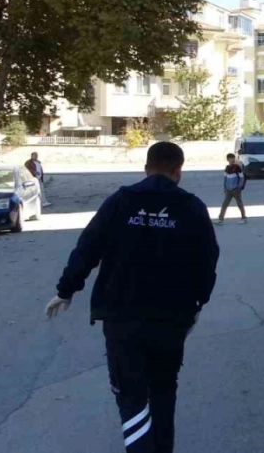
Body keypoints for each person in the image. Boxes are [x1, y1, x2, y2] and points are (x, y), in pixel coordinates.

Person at [45, 142, 220, 453]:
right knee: (164, 391)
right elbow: (207, 260)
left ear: (145, 168)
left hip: (121, 318)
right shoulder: (191, 207)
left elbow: (88, 247)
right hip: (171, 319)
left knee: (131, 395)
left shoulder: (120, 201)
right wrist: (197, 304)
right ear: (178, 171)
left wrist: (65, 290)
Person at [218, 152, 247, 224]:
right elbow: (225, 179)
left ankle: (244, 218)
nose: (233, 159)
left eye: (233, 158)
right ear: (228, 159)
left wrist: (239, 187)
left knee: (239, 203)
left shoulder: (237, 167)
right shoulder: (227, 168)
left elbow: (242, 178)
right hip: (228, 190)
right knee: (225, 204)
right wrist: (225, 188)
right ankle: (220, 219)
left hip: (236, 190)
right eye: (231, 158)